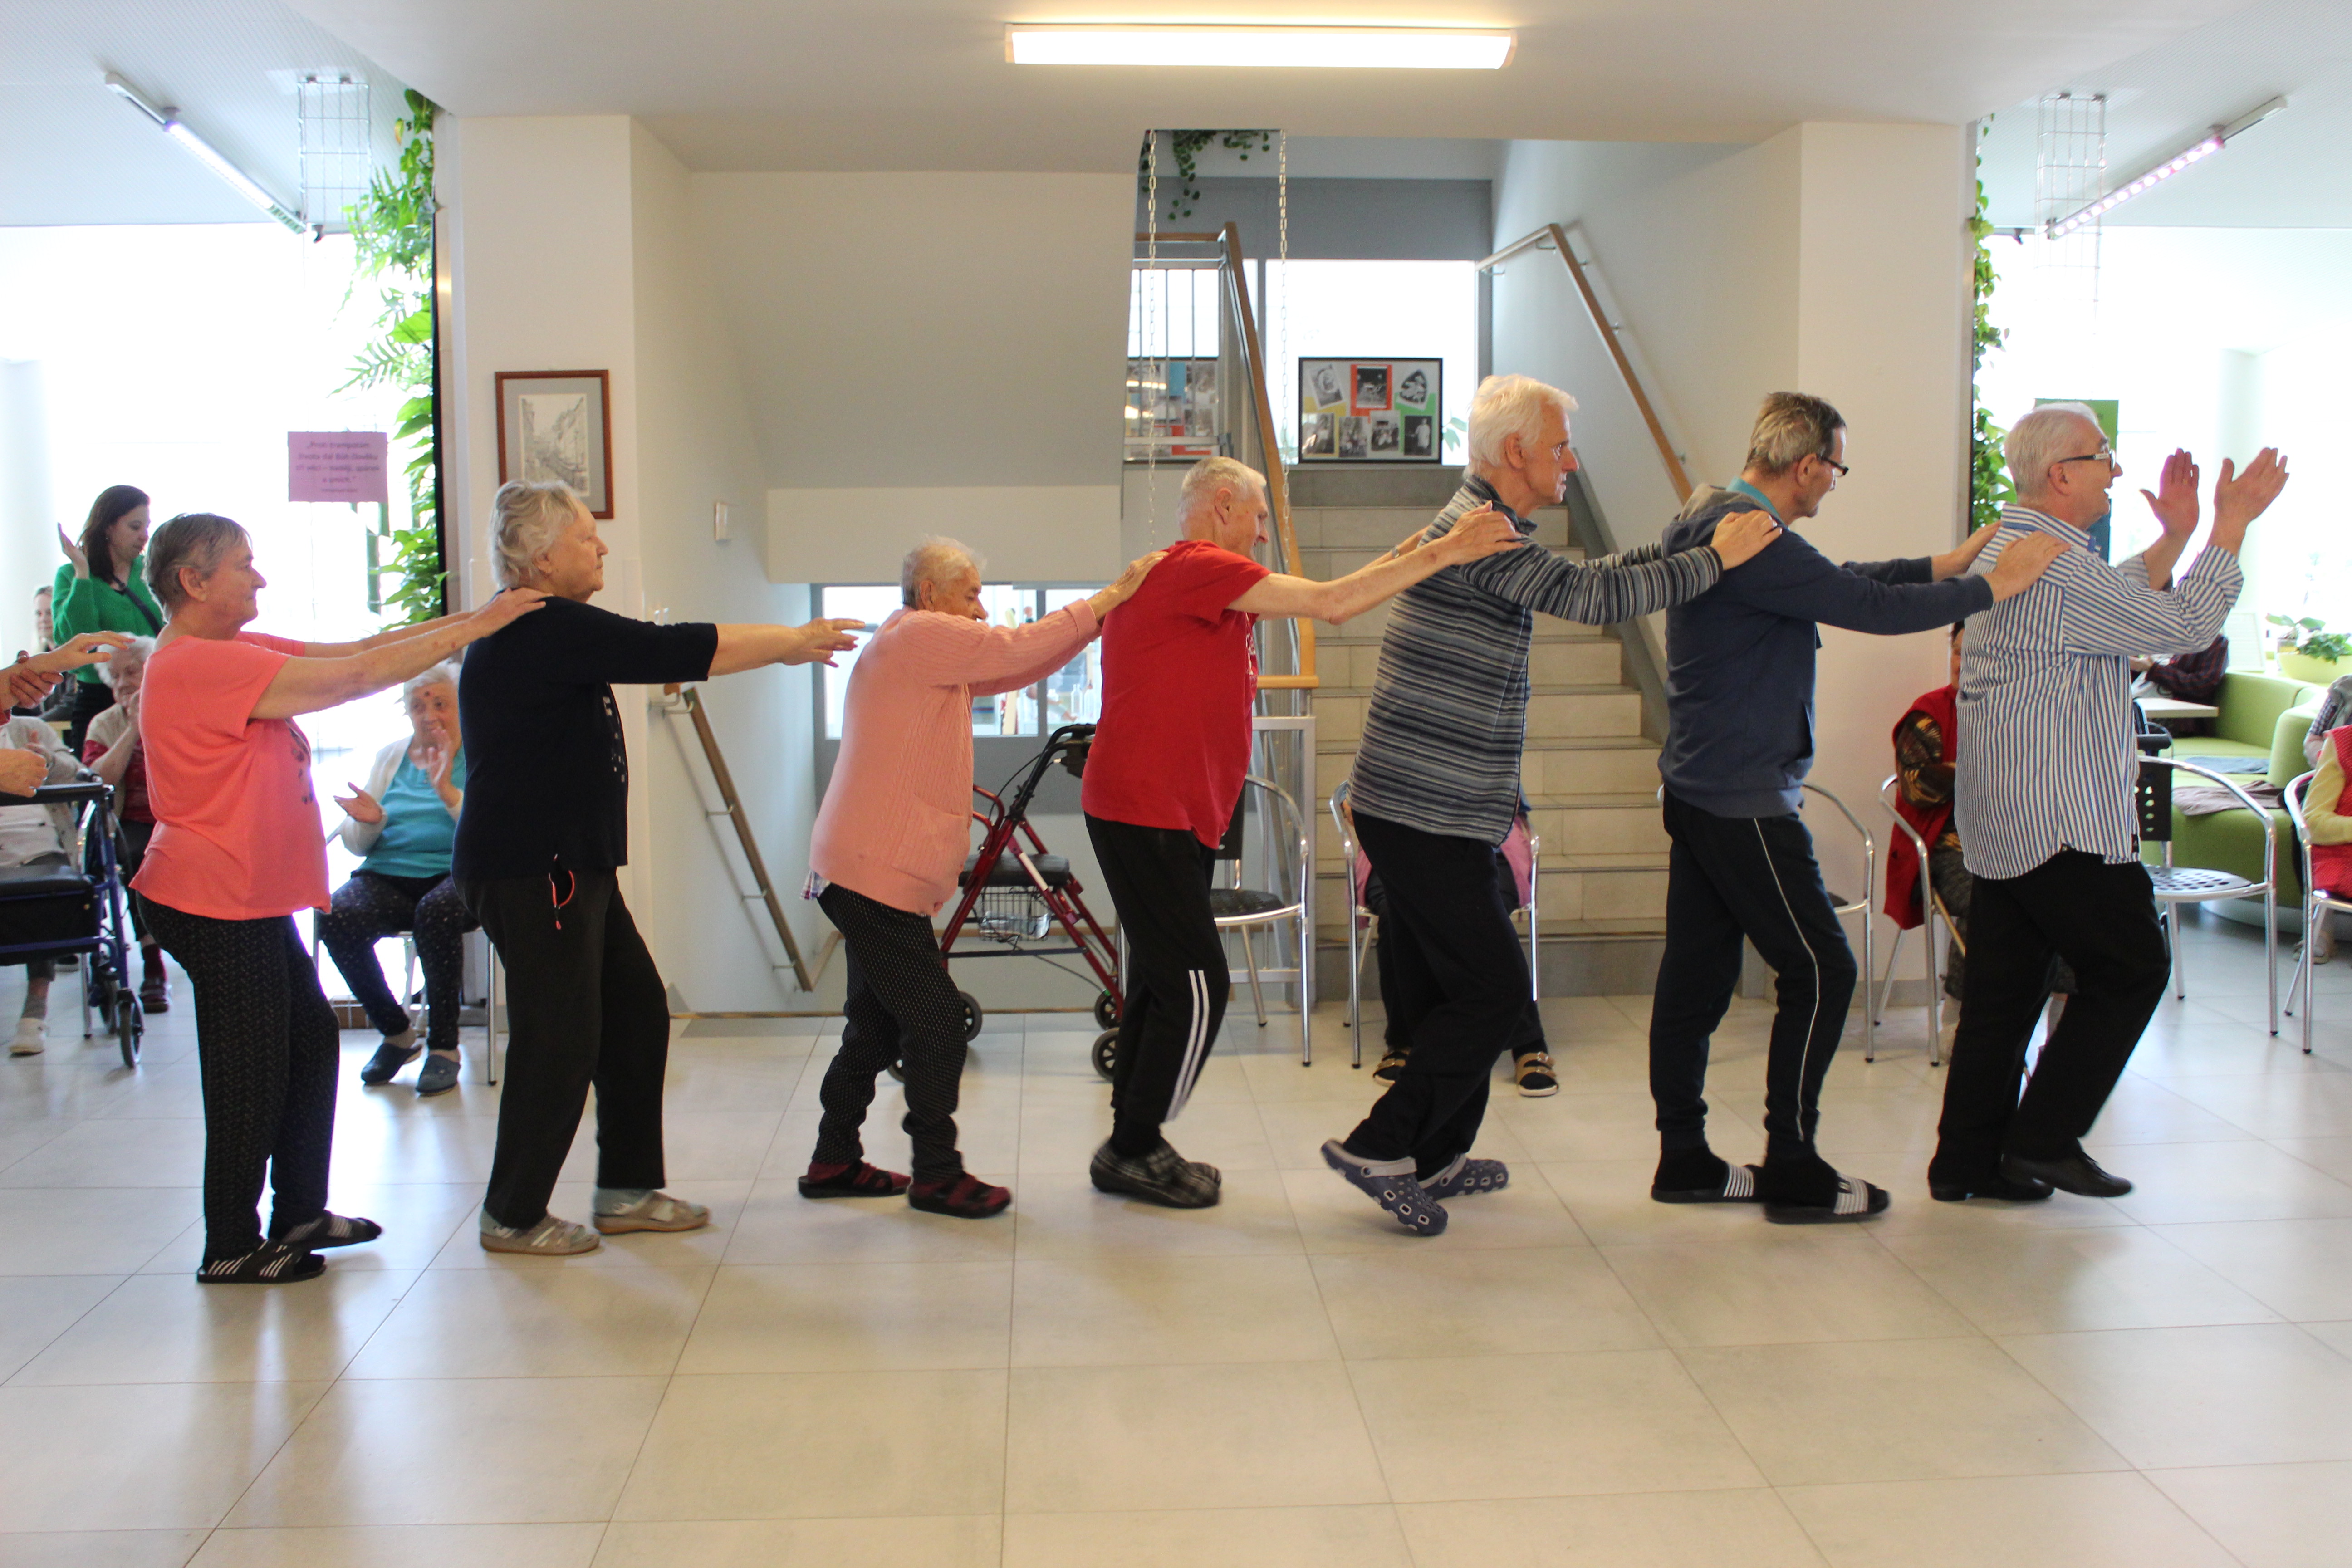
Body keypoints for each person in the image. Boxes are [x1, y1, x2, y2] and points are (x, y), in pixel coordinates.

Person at [1319, 376, 1781, 1237]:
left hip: (1442, 810)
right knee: (1494, 991)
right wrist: (1717, 558)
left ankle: (1435, 1157)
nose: (1572, 460)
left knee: (1474, 989)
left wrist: (1685, 545)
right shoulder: (1479, 534)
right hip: (1421, 811)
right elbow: (1596, 600)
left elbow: (1588, 574)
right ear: (1515, 452)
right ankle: (1379, 1146)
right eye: (1561, 445)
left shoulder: (1491, 529)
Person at [1644, 392, 2063, 1224]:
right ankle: (1793, 1167)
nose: (1835, 482)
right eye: (1836, 467)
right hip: (1742, 803)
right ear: (1806, 465)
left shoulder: (1715, 515)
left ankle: (1684, 1159)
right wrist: (1992, 586)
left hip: (1699, 790)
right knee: (1823, 969)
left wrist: (1945, 565)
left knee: (1694, 980)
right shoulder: (1753, 534)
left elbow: (1838, 583)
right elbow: (1865, 608)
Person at [1086, 453, 1525, 1209]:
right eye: (1259, 517)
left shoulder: (1208, 585)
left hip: (1165, 810)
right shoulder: (1197, 567)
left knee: (1163, 982)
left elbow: (1343, 587)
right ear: (1224, 505)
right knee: (1197, 986)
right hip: (1145, 808)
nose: (1263, 532)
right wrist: (1450, 551)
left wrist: (1430, 537)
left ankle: (1131, 1143)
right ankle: (1133, 1144)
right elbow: (1333, 603)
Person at [135, 510, 550, 1283]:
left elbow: (362, 650)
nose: (259, 578)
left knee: (308, 1042)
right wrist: (481, 625)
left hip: (248, 897)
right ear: (193, 581)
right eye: (244, 565)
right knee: (249, 1068)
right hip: (213, 895)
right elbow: (355, 680)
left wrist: (480, 618)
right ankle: (231, 1244)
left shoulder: (229, 650)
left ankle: (298, 1212)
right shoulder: (194, 665)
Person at [457, 480, 862, 1256]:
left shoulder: (540, 627)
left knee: (636, 1012)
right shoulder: (541, 624)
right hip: (536, 868)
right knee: (558, 1036)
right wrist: (790, 641)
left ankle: (627, 1190)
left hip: (568, 866)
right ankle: (512, 1213)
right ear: (542, 557)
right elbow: (669, 648)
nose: (601, 546)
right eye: (586, 536)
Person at [1928, 409, 2288, 1203]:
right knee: (2132, 967)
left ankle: (1966, 1164)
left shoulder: (2017, 549)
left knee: (2003, 996)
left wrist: (2175, 539)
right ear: (2060, 474)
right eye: (2102, 457)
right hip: (2057, 818)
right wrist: (2228, 526)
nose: (2115, 471)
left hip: (2005, 817)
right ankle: (2041, 1140)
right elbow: (2183, 625)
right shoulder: (2054, 565)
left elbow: (2113, 599)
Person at [800, 537, 1161, 1219]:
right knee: (938, 1023)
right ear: (930, 595)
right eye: (970, 595)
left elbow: (1016, 665)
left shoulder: (925, 654)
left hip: (861, 869)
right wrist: (1111, 597)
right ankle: (936, 1174)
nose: (981, 608)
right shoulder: (917, 635)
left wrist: (1101, 623)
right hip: (871, 874)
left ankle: (833, 1158)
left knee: (874, 1026)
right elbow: (1010, 648)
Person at [1886, 626, 2077, 1006]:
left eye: (1976, 653)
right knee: (1993, 897)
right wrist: (1982, 767)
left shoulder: (2026, 712)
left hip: (2022, 843)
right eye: (1958, 652)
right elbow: (1916, 788)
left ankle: (2062, 1022)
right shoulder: (1930, 713)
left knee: (2071, 893)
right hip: (1949, 849)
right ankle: (1967, 1016)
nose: (1962, 663)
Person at [323, 663, 474, 1096]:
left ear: (461, 706)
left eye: (440, 704)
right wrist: (370, 822)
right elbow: (358, 845)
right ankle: (397, 1033)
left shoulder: (482, 753)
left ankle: (444, 1047)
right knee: (335, 914)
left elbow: (493, 836)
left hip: (458, 876)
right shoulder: (391, 756)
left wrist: (448, 793)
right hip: (388, 875)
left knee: (436, 913)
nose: (429, 715)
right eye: (417, 706)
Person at [80, 634, 169, 1012]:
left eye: (131, 672)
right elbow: (99, 780)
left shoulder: (179, 710)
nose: (123, 683)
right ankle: (152, 963)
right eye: (115, 677)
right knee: (135, 856)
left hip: (181, 818)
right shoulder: (104, 724)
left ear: (153, 669)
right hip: (130, 822)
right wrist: (133, 727)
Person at [52, 485, 164, 754]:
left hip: (155, 692)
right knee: (95, 776)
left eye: (146, 527)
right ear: (108, 527)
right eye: (135, 527)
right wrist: (82, 573)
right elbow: (79, 644)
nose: (144, 536)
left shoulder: (152, 570)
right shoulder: (70, 575)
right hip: (98, 696)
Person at [1, 713, 83, 1055]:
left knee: (45, 894)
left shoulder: (27, 728)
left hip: (38, 845)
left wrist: (47, 761)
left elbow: (77, 772)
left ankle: (35, 1008)